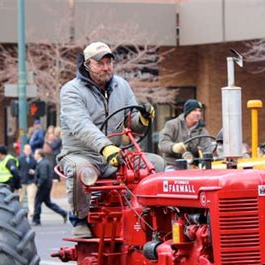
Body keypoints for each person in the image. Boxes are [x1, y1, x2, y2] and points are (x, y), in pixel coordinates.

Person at [58, 41, 165, 237]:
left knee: (155, 163)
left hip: (115, 156)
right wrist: (106, 148)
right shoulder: (71, 90)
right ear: (87, 65)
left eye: (109, 62)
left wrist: (142, 118)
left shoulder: (121, 86)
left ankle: (142, 213)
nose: (106, 67)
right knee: (82, 170)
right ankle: (80, 220)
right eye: (100, 63)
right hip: (82, 154)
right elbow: (81, 125)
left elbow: (132, 122)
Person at [158, 99, 212, 166]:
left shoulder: (202, 131)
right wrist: (174, 147)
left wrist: (204, 162)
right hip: (172, 165)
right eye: (194, 110)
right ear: (187, 112)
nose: (198, 113)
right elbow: (162, 144)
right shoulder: (172, 125)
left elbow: (207, 149)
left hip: (192, 166)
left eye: (199, 111)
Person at [32, 149, 68, 226]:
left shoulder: (43, 163)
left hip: (43, 186)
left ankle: (36, 219)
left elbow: (43, 176)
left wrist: (39, 184)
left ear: (39, 155)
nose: (34, 155)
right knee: (48, 203)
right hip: (47, 186)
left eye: (35, 154)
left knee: (37, 202)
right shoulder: (44, 162)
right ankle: (63, 213)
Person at [19, 144, 37, 218]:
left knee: (31, 197)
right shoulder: (20, 159)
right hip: (22, 181)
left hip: (31, 181)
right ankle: (20, 212)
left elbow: (37, 169)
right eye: (27, 149)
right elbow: (17, 169)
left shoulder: (33, 159)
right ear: (24, 150)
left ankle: (32, 212)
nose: (28, 151)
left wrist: (34, 171)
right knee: (21, 198)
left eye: (29, 149)